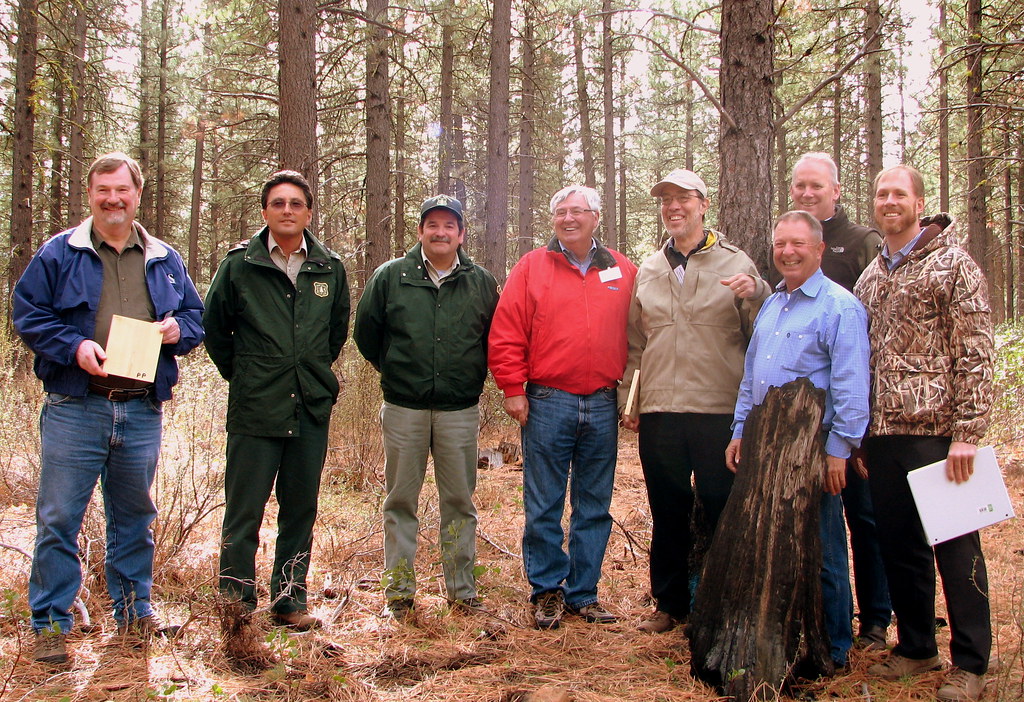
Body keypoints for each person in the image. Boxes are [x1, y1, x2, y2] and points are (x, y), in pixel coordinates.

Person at [13, 152, 205, 664]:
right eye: (103, 191)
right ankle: (51, 623)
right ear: (91, 195)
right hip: (76, 406)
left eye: (122, 190)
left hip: (141, 408)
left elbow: (194, 316)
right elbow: (27, 314)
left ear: (137, 194)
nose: (113, 199)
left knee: (134, 515)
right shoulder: (60, 253)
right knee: (58, 518)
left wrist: (175, 330)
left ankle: (133, 610)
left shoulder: (163, 258)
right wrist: (73, 347)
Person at [856, 165, 993, 702]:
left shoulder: (953, 265)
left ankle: (972, 663)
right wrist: (860, 433)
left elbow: (976, 351)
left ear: (919, 202)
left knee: (957, 549)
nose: (889, 202)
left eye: (898, 194)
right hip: (884, 435)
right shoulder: (873, 275)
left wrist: (968, 431)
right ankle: (917, 647)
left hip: (939, 434)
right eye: (881, 194)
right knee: (901, 547)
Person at [618, 169, 769, 633]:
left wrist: (757, 294)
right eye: (666, 200)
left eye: (683, 198)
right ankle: (670, 604)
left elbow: (762, 334)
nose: (674, 207)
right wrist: (632, 401)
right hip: (661, 410)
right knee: (668, 509)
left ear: (704, 205)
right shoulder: (649, 268)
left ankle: (720, 604)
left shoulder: (736, 262)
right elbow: (636, 343)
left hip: (719, 411)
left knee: (722, 507)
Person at [203, 170, 350, 631]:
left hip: (309, 405)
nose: (287, 210)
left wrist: (306, 370)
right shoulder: (239, 264)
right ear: (265, 211)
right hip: (255, 405)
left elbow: (334, 333)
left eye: (296, 204)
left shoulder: (329, 267)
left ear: (308, 212)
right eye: (278, 203)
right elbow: (214, 329)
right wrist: (248, 372)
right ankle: (235, 603)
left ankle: (289, 601)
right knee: (244, 507)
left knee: (300, 507)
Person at [726, 210, 870, 670]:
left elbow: (851, 385)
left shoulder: (839, 307)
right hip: (767, 444)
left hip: (814, 444)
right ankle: (788, 636)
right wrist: (740, 431)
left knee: (823, 545)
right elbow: (752, 376)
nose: (787, 252)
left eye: (798, 244)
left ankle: (836, 647)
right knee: (777, 540)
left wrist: (838, 451)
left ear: (819, 249)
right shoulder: (774, 303)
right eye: (780, 244)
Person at [489, 185, 637, 629]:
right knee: (544, 502)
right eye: (561, 212)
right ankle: (547, 591)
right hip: (548, 399)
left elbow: (641, 339)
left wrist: (633, 397)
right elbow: (507, 330)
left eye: (578, 211)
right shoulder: (533, 267)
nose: (568, 219)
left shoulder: (623, 270)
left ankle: (584, 593)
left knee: (595, 502)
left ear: (596, 217)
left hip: (604, 401)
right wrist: (512, 387)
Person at [354, 195, 499, 620]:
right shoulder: (390, 277)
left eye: (449, 226)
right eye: (432, 224)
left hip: (459, 410)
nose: (440, 232)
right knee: (400, 500)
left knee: (459, 500)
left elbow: (495, 338)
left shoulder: (482, 282)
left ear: (461, 234)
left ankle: (462, 591)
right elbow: (367, 335)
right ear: (420, 231)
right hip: (404, 408)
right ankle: (398, 594)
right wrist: (400, 371)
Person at [790, 152, 891, 651]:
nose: (807, 193)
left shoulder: (862, 244)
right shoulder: (794, 242)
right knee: (823, 521)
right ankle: (828, 615)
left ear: (836, 190)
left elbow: (881, 326)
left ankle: (876, 618)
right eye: (799, 185)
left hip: (857, 407)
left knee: (865, 516)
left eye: (816, 186)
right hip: (808, 415)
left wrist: (864, 418)